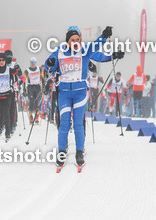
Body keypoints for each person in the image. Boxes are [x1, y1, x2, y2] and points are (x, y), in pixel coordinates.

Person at [44, 25, 118, 169]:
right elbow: (48, 66)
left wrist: (104, 36)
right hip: (64, 93)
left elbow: (96, 46)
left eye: (77, 39)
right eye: (72, 40)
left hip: (80, 93)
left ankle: (79, 152)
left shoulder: (84, 50)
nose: (75, 42)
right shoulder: (60, 51)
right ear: (67, 41)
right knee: (64, 124)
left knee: (78, 124)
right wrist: (50, 64)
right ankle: (61, 152)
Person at [0, 51, 18, 139]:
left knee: (7, 113)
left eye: (3, 60)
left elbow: (16, 73)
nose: (1, 62)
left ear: (5, 61)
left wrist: (17, 68)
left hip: (7, 95)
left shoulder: (9, 69)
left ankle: (7, 133)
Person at [25, 57, 43, 125]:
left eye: (34, 62)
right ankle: (31, 116)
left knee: (38, 101)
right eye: (32, 62)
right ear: (30, 63)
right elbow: (24, 80)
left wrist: (44, 86)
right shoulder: (27, 70)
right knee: (31, 101)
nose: (33, 64)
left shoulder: (39, 69)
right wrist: (24, 89)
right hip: (30, 87)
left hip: (37, 86)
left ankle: (37, 116)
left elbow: (42, 77)